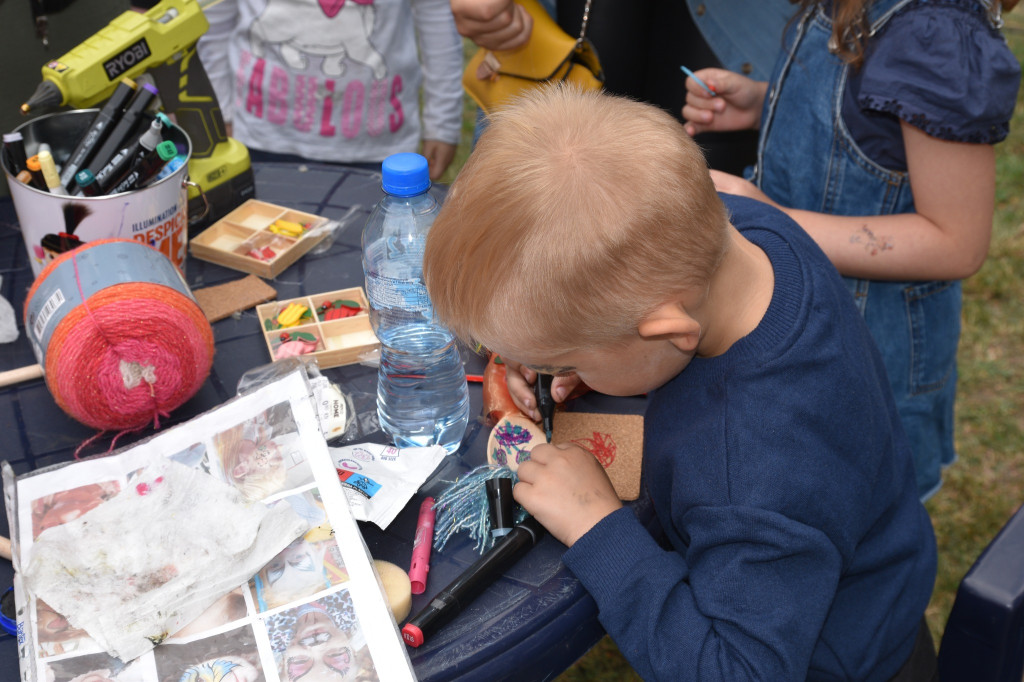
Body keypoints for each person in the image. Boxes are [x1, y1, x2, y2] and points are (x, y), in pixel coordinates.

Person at [422, 84, 938, 680]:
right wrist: (575, 351)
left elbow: (736, 669)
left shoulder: (754, 467)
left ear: (668, 330)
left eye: (568, 364)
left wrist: (595, 526)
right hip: (866, 569)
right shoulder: (746, 232)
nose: (559, 377)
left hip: (843, 658)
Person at [681, 0, 1021, 501]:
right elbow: (870, 121)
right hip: (798, 311)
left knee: (857, 512)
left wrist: (772, 216)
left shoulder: (936, 37)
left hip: (867, 346)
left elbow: (956, 243)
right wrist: (763, 102)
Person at [197, 0, 464, 180]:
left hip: (374, 144)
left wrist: (442, 123)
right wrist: (220, 114)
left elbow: (438, 15)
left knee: (368, 249)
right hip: (259, 135)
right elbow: (211, 19)